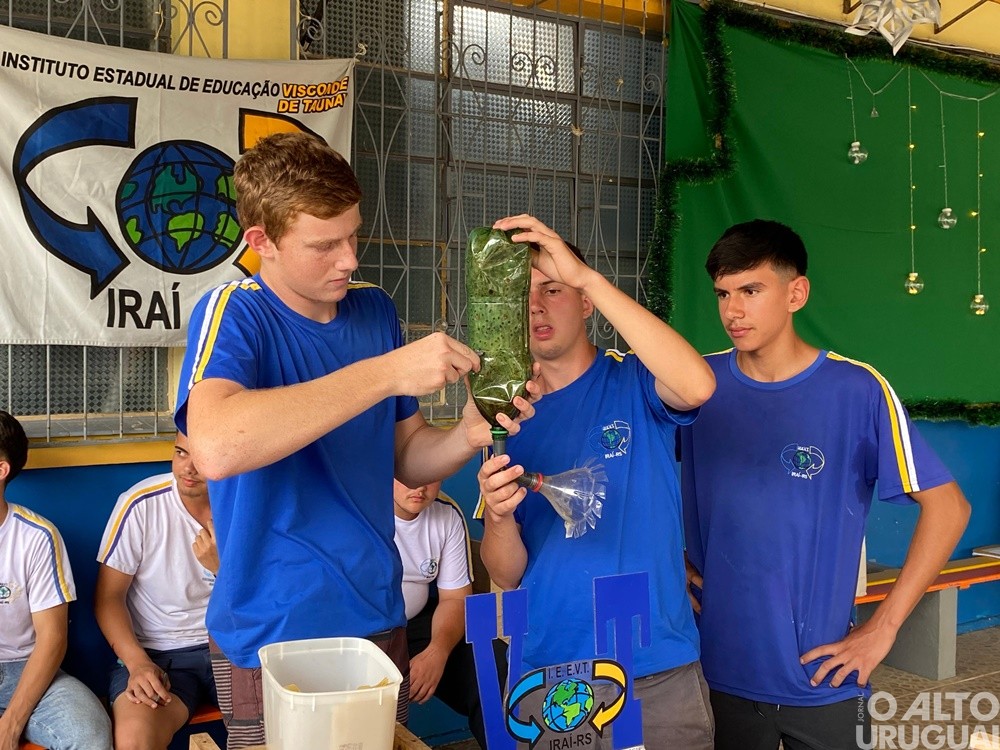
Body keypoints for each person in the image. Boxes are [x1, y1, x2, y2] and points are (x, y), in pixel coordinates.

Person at [174, 131, 536, 749]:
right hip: (269, 626)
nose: (349, 259)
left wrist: (467, 433)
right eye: (325, 244)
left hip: (373, 611)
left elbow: (405, 452)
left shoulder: (375, 312)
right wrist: (386, 373)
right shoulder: (235, 312)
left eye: (354, 235)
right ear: (262, 242)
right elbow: (215, 445)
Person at [680, 219, 971, 750]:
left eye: (750, 290)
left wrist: (882, 630)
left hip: (825, 678)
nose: (732, 310)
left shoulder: (855, 390)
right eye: (723, 293)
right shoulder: (697, 385)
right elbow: (637, 477)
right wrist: (666, 558)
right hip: (711, 671)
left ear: (797, 293)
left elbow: (949, 507)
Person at [476, 214, 717, 748]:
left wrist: (586, 276)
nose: (535, 305)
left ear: (586, 301)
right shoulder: (507, 417)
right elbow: (507, 572)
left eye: (553, 288)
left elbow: (697, 385)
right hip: (546, 673)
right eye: (523, 293)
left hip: (652, 672)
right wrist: (497, 516)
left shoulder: (633, 380)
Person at [94, 431, 217, 750]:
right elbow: (108, 599)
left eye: (201, 456)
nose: (188, 468)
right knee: (135, 740)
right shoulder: (141, 503)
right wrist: (138, 664)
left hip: (233, 648)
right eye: (180, 453)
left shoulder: (247, 501)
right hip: (160, 656)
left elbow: (268, 600)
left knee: (294, 718)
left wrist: (223, 568)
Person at [0, 410, 113, 750]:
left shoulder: (36, 537)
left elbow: (52, 639)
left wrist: (11, 723)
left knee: (91, 733)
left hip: (27, 669)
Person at [393, 478, 504, 750]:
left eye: (431, 473)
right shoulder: (362, 508)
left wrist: (437, 652)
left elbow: (454, 598)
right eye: (406, 475)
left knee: (496, 666)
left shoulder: (446, 512)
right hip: (363, 628)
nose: (418, 486)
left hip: (418, 623)